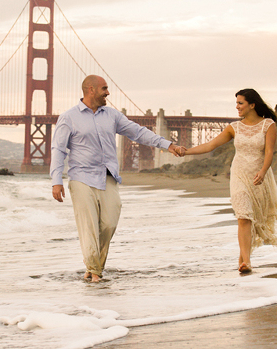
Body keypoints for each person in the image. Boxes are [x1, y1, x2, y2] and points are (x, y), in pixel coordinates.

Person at [50, 75, 186, 283]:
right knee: (89, 227)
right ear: (90, 90)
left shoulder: (112, 116)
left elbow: (138, 133)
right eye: (104, 88)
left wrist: (168, 145)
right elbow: (58, 149)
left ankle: (92, 268)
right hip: (81, 177)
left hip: (108, 177)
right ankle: (95, 272)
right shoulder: (68, 118)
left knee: (108, 225)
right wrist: (56, 180)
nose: (108, 92)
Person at [179, 88, 277, 273]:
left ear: (252, 104)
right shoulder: (234, 127)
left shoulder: (268, 125)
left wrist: (263, 171)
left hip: (259, 176)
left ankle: (242, 260)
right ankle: (247, 262)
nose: (237, 107)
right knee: (243, 217)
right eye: (236, 103)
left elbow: (269, 152)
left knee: (251, 218)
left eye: (240, 103)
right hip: (239, 175)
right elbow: (211, 145)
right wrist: (186, 151)